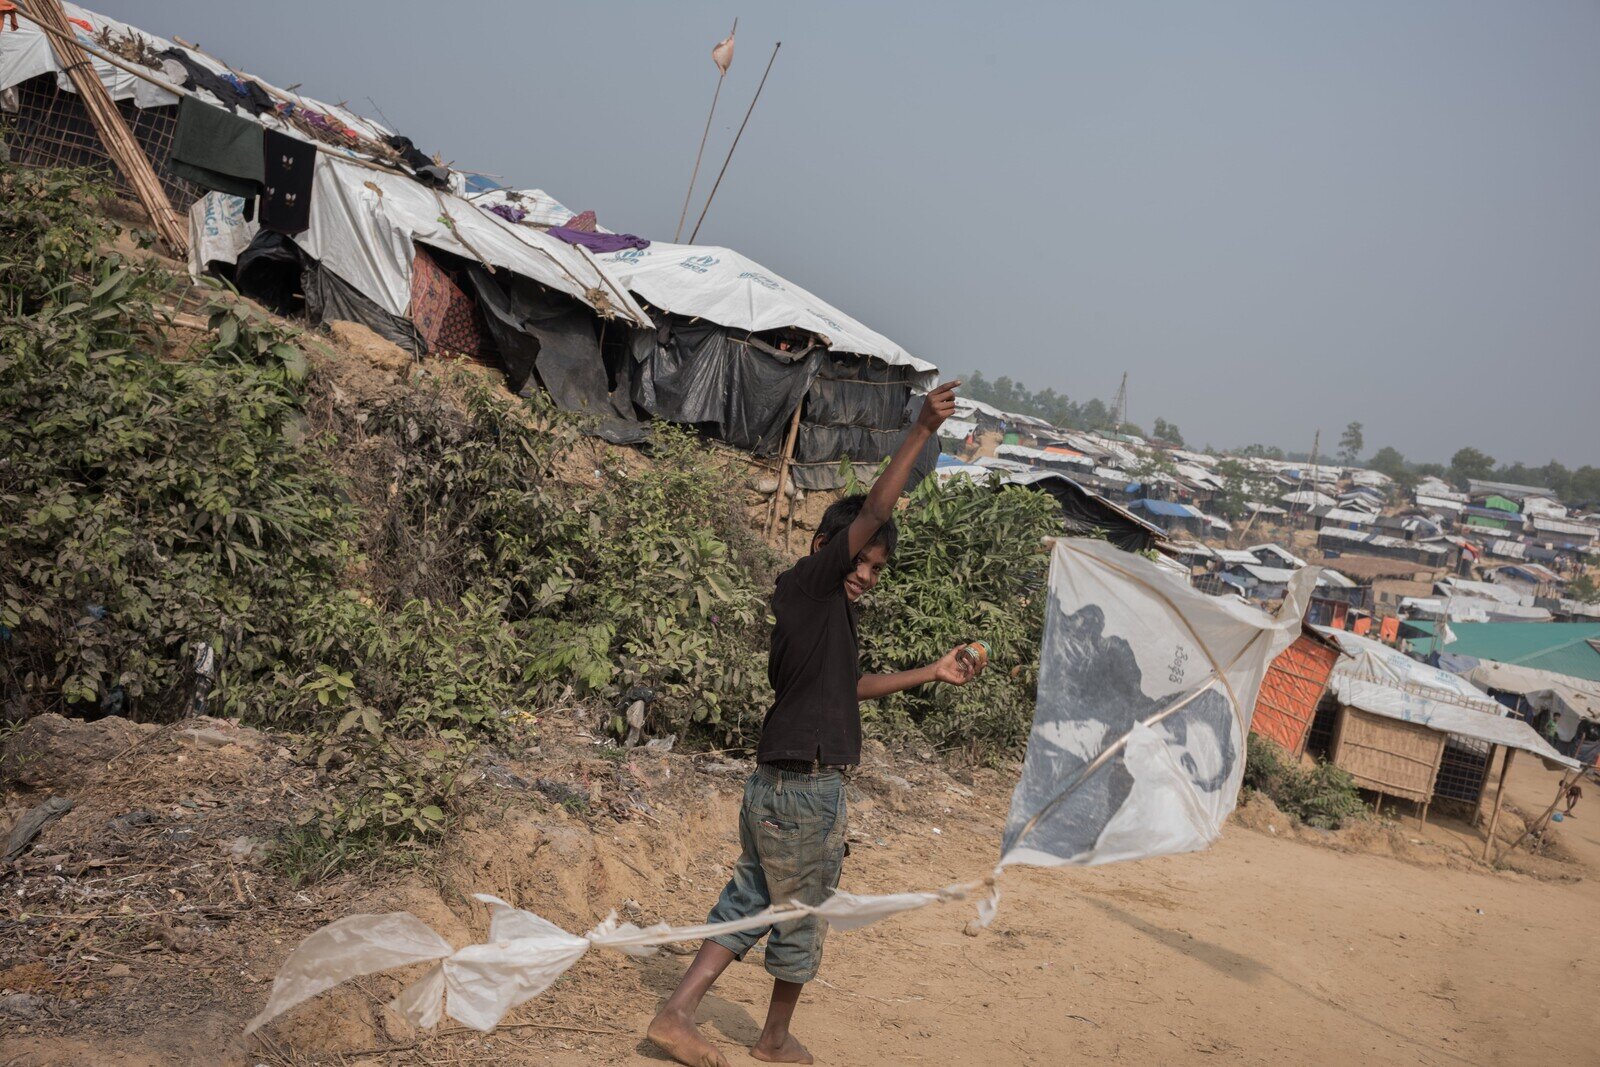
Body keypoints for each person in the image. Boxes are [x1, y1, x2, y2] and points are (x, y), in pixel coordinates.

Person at [647, 380, 982, 1067]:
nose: (865, 573)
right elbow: (880, 505)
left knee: (751, 896)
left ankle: (679, 1010)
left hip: (777, 784)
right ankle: (765, 1035)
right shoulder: (810, 583)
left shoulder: (821, 614)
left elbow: (848, 687)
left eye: (876, 568)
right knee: (800, 916)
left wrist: (930, 671)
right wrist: (919, 431)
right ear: (830, 546)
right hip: (804, 791)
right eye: (859, 558)